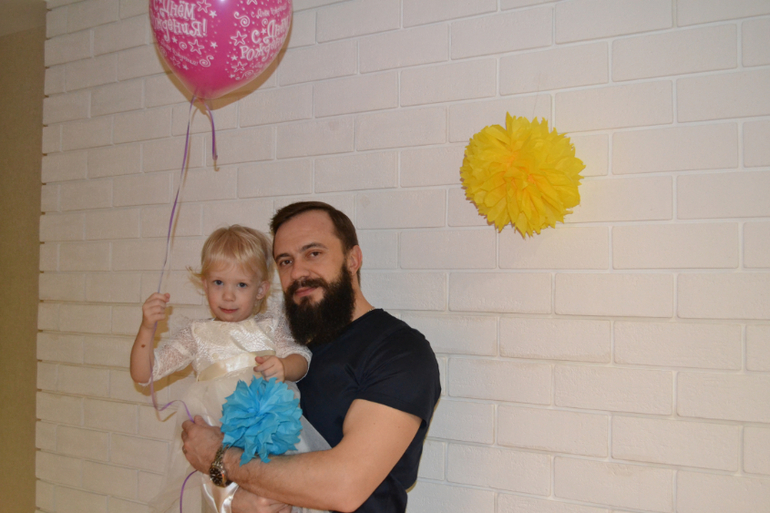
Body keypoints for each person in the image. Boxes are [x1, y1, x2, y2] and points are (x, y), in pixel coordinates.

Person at [180, 202, 442, 513]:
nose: (297, 273)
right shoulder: (287, 355)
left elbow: (344, 486)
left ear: (353, 260)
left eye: (313, 253)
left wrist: (220, 458)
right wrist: (234, 499)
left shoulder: (398, 350)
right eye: (285, 261)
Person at [130, 225, 327, 513]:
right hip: (217, 430)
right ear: (204, 284)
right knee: (228, 497)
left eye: (241, 285)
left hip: (267, 425)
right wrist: (147, 328)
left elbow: (302, 359)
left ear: (261, 290)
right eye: (218, 283)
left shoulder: (270, 325)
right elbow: (144, 374)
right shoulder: (196, 334)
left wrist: (285, 366)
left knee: (280, 492)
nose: (228, 296)